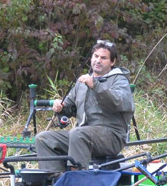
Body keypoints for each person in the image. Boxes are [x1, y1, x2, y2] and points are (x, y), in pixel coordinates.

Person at [35, 40, 135, 172]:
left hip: (111, 137)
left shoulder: (119, 80)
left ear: (112, 62)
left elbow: (118, 103)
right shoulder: (82, 81)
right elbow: (69, 107)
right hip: (81, 136)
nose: (98, 60)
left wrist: (95, 86)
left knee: (78, 133)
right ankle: (55, 183)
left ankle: (76, 182)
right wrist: (61, 107)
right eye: (96, 56)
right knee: (43, 138)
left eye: (103, 58)